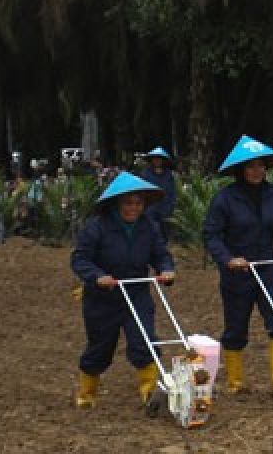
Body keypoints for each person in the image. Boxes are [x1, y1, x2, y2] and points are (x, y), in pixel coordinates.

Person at [203, 135, 273, 395]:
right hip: (238, 271)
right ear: (240, 170)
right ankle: (236, 381)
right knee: (236, 328)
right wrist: (227, 259)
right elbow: (212, 235)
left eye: (260, 165)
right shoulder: (225, 199)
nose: (257, 171)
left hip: (268, 266)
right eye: (251, 166)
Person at [71, 172, 175, 408]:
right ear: (116, 204)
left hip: (137, 293)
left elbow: (160, 254)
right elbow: (80, 259)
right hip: (103, 298)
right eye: (128, 203)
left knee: (145, 341)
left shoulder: (149, 227)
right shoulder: (97, 228)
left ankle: (150, 394)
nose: (134, 208)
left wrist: (166, 270)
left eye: (138, 203)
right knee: (101, 347)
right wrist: (98, 276)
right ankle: (87, 394)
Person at [140, 146, 178, 242]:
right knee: (152, 228)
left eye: (159, 159)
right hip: (150, 206)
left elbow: (173, 191)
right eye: (155, 158)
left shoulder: (169, 175)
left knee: (165, 229)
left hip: (166, 206)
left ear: (163, 160)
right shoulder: (145, 174)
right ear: (152, 160)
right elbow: (141, 190)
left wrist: (172, 204)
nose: (157, 161)